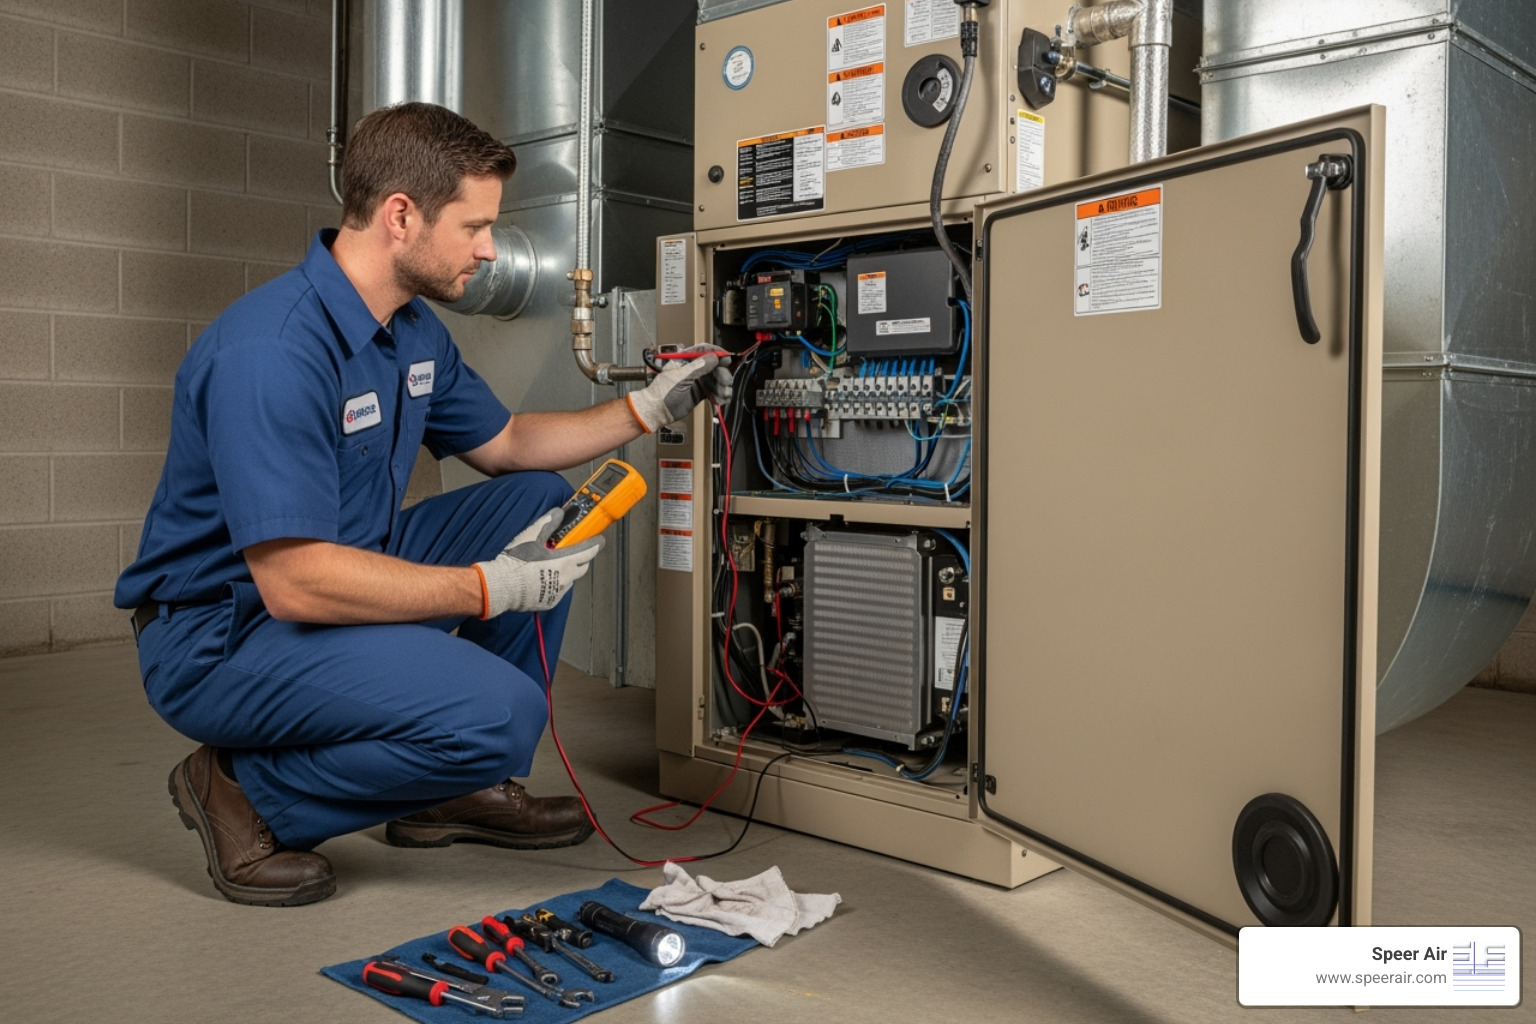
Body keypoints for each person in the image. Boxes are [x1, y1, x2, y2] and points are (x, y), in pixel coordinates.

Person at [113, 102, 729, 907]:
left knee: (539, 506)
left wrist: (645, 409)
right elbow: (296, 583)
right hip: (224, 632)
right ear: (401, 216)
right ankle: (242, 789)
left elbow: (505, 444)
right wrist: (489, 588)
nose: (490, 247)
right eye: (475, 225)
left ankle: (449, 792)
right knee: (498, 714)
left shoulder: (411, 331)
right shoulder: (272, 352)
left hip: (337, 574)